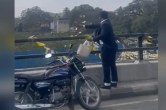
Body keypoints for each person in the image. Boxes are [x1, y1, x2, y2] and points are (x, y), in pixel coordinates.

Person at [85, 11, 118, 89]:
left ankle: (107, 84)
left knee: (106, 65)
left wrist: (93, 38)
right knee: (112, 65)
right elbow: (96, 25)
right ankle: (114, 82)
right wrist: (85, 26)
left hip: (108, 47)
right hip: (112, 46)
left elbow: (103, 35)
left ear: (100, 17)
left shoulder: (105, 24)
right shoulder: (107, 22)